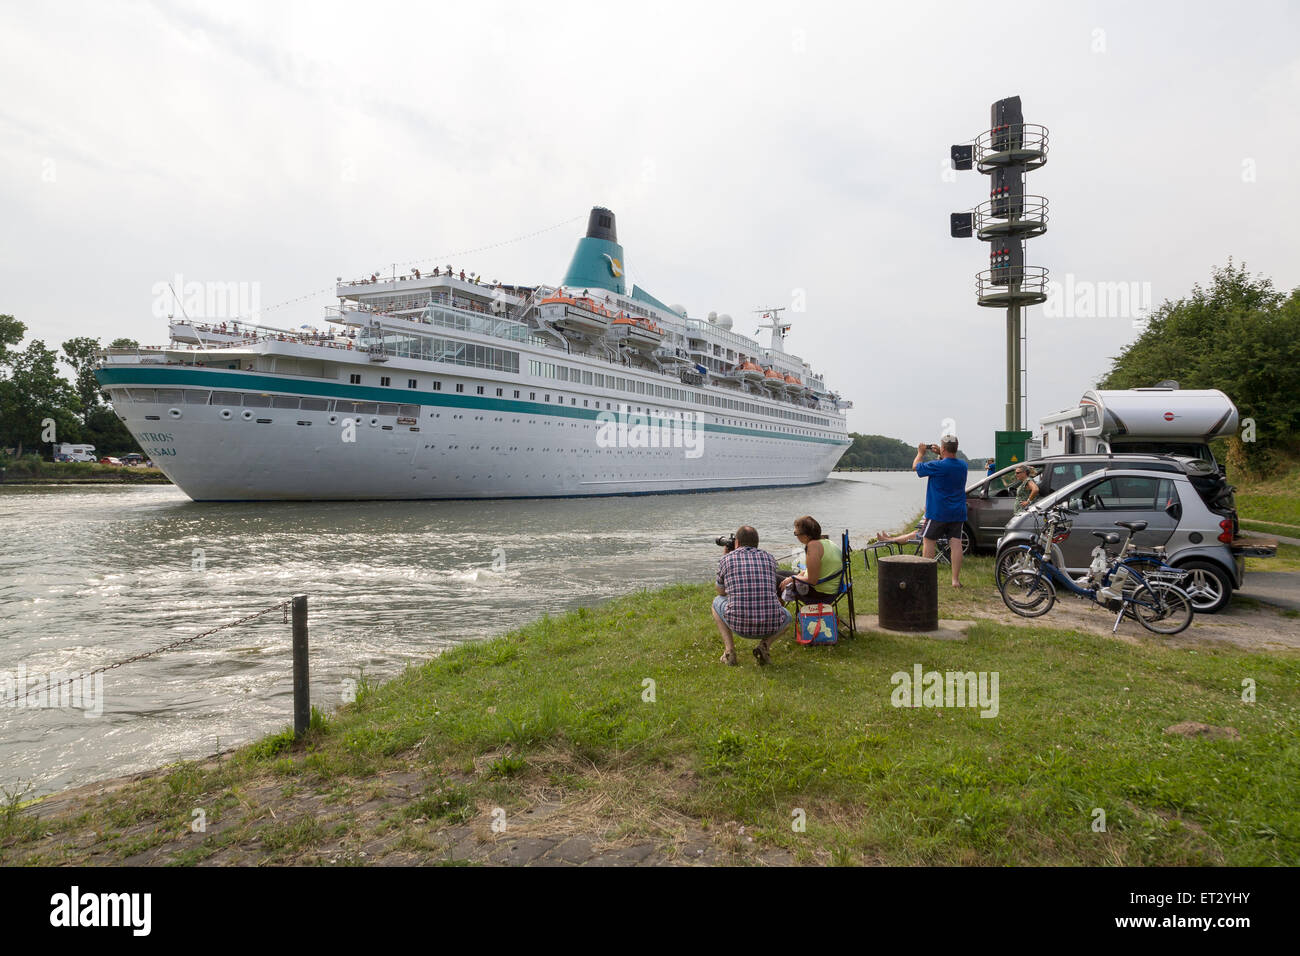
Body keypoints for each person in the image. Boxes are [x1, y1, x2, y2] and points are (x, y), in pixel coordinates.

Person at [713, 525, 792, 667]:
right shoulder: (769, 558)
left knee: (716, 602)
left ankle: (729, 652)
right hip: (771, 624)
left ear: (736, 542)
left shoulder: (726, 559)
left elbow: (720, 591)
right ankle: (764, 645)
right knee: (788, 616)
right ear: (757, 543)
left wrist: (725, 556)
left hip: (739, 626)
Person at [913, 434, 967, 587]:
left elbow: (916, 467)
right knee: (956, 544)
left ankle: (926, 579)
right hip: (957, 512)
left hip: (938, 512)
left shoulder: (938, 466)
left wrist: (920, 453)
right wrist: (940, 454)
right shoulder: (963, 465)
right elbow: (949, 462)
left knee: (929, 541)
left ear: (943, 448)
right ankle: (955, 580)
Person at [776, 515, 842, 602]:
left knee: (772, 578)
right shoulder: (827, 542)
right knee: (778, 573)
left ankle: (781, 613)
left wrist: (793, 578)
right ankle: (781, 610)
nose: (796, 536)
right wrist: (795, 577)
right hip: (829, 587)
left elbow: (812, 580)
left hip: (819, 593)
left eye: (796, 533)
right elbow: (813, 570)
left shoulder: (813, 546)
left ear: (806, 535)